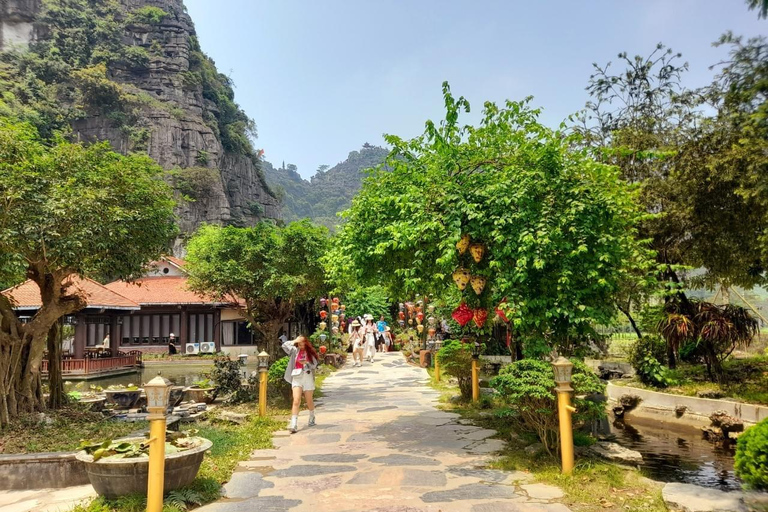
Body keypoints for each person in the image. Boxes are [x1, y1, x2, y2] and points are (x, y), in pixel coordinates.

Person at [281, 335, 319, 433]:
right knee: (296, 400)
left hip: (307, 377)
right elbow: (284, 345)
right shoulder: (294, 351)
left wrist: (306, 363)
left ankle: (311, 416)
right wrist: (294, 340)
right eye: (299, 344)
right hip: (297, 377)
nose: (301, 346)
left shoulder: (310, 352)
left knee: (308, 400)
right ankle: (294, 423)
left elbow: (314, 365)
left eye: (303, 344)